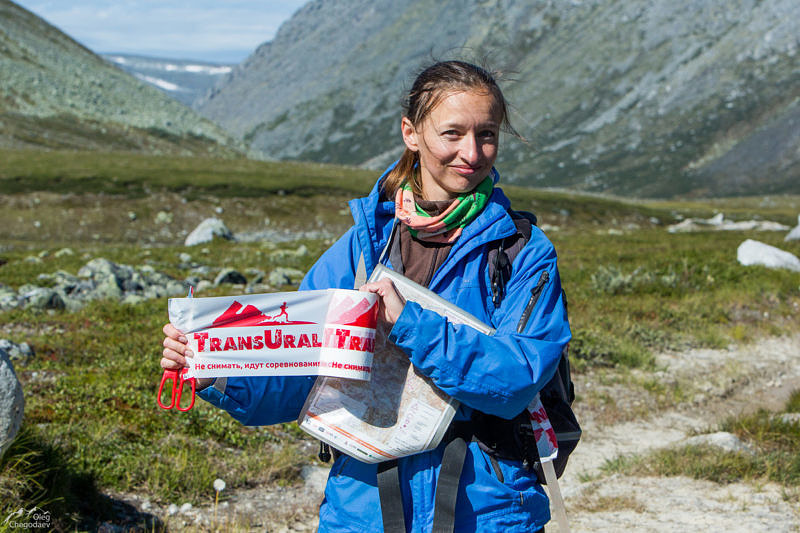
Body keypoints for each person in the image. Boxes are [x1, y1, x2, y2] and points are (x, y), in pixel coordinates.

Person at [161, 60, 570, 533]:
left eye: (487, 134)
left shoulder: (522, 252)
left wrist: (412, 326)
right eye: (452, 133)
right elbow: (302, 373)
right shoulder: (361, 248)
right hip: (364, 510)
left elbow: (516, 378)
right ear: (411, 133)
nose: (472, 153)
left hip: (487, 513)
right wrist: (215, 368)